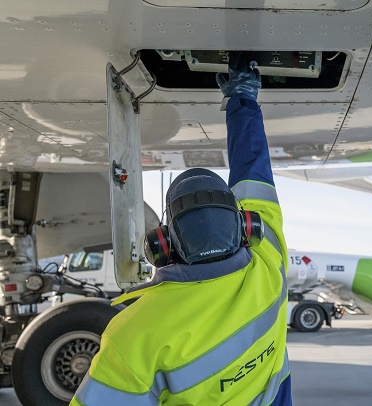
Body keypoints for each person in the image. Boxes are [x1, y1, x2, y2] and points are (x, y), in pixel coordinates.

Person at [71, 52, 292, 405]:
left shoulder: (136, 334)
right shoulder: (269, 267)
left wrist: (242, 99)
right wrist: (243, 99)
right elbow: (254, 171)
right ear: (247, 227)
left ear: (162, 244)